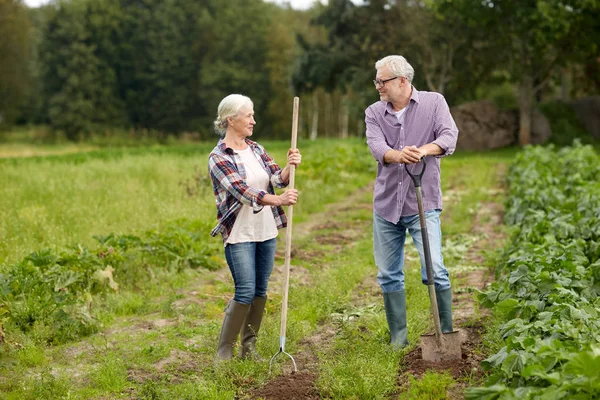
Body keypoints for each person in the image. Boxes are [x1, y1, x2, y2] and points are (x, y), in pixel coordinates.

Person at [364, 55, 459, 347]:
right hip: (386, 205)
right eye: (377, 81)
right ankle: (398, 339)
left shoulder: (434, 103)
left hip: (423, 203)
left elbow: (448, 136)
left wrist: (423, 150)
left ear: (402, 81)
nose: (378, 86)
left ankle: (445, 333)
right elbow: (376, 145)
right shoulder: (374, 112)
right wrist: (397, 154)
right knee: (389, 275)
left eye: (383, 80)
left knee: (435, 269)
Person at [208, 94, 301, 362]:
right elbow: (242, 191)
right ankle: (224, 352)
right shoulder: (218, 157)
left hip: (265, 230)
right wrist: (278, 200)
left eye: (253, 115)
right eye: (248, 115)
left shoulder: (256, 149)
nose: (253, 120)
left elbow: (276, 178)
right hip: (239, 233)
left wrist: (288, 167)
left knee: (260, 290)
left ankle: (249, 348)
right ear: (231, 119)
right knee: (245, 290)